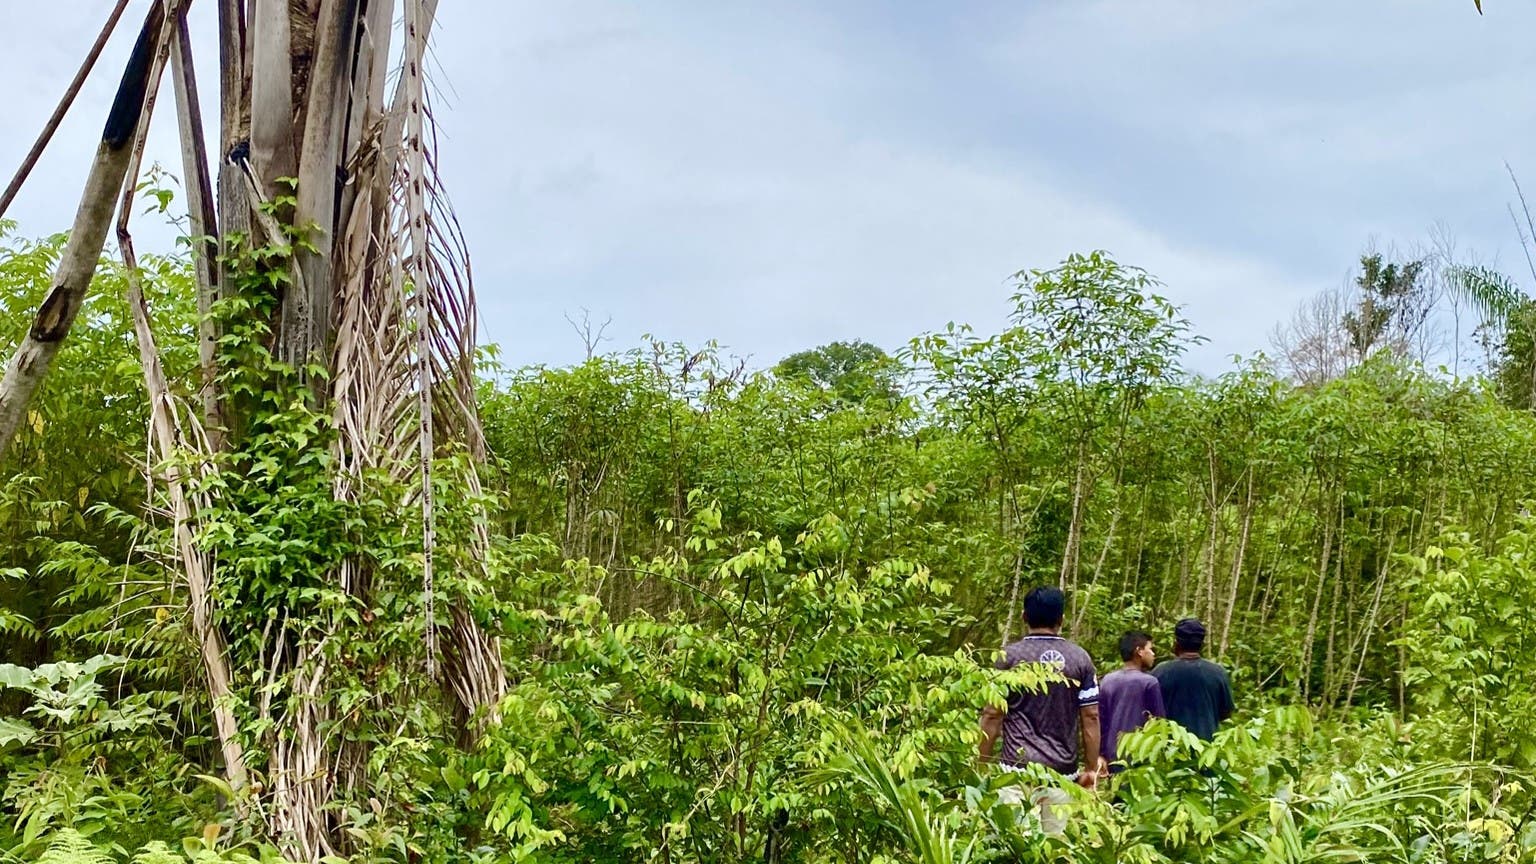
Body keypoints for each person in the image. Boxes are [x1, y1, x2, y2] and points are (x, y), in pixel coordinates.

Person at [979, 586, 1101, 831]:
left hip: (1016, 772)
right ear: (1061, 619)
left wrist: (981, 763)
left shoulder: (1009, 658)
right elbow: (1091, 716)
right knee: (1054, 850)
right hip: (1062, 774)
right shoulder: (1079, 659)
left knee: (1016, 849)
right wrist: (1089, 769)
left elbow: (992, 714)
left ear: (1024, 616)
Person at [1150, 618, 1233, 740]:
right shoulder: (1217, 672)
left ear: (1176, 643)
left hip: (1169, 749)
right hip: (1206, 749)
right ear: (1202, 645)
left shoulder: (1160, 672)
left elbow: (1149, 713)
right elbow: (1226, 713)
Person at [1097, 630, 1165, 773]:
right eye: (1150, 649)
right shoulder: (1150, 682)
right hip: (1140, 755)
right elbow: (1159, 723)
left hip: (1113, 754)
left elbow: (1101, 721)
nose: (1153, 654)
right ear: (1139, 651)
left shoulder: (1107, 680)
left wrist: (1101, 754)